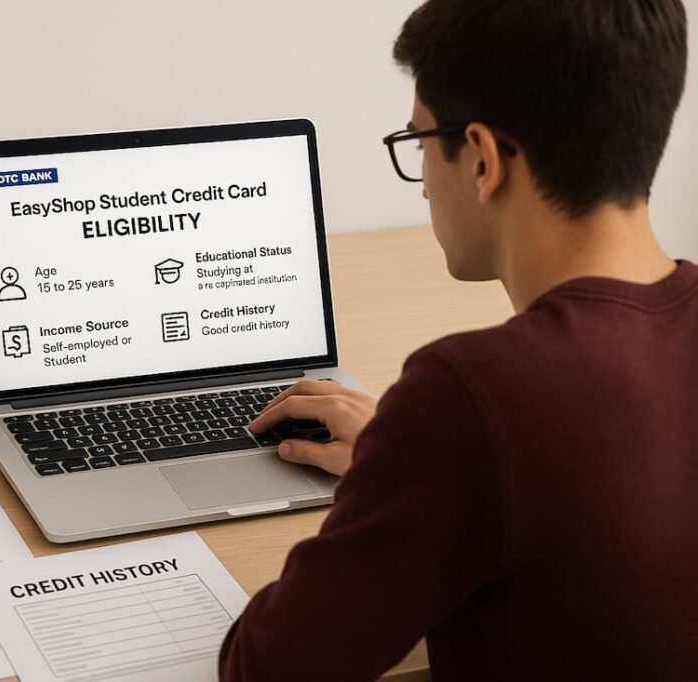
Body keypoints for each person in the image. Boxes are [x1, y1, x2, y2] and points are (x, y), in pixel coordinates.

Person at [219, 1, 695, 680]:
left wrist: (403, 474)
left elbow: (264, 668)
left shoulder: (470, 397)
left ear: (481, 158)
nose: (420, 185)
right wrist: (410, 467)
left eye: (417, 142)